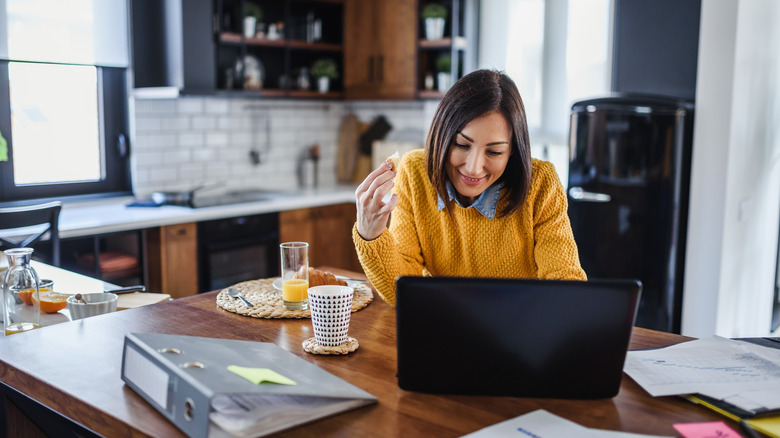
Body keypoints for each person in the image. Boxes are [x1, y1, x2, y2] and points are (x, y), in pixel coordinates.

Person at [353, 69, 586, 306]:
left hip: (520, 327)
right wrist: (370, 235)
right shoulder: (415, 172)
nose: (474, 168)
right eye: (462, 145)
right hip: (444, 323)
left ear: (513, 149)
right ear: (442, 136)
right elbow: (401, 290)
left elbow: (565, 280)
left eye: (494, 152)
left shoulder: (541, 183)